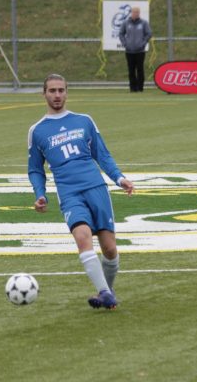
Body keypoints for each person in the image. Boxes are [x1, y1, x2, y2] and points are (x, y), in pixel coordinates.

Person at [27, 74, 134, 309]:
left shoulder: (84, 121)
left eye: (61, 90)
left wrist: (119, 177)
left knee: (109, 248)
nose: (57, 95)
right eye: (52, 91)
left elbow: (102, 154)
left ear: (67, 92)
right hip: (69, 194)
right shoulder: (37, 131)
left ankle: (108, 291)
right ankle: (105, 292)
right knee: (83, 238)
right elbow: (35, 169)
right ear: (44, 94)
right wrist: (40, 194)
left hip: (96, 188)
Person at [118, 7, 152, 92]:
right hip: (129, 51)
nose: (135, 14)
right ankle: (132, 88)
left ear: (139, 13)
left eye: (137, 12)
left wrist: (143, 43)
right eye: (134, 12)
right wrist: (125, 44)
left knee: (140, 69)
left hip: (140, 51)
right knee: (131, 70)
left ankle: (140, 88)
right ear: (131, 13)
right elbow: (121, 34)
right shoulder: (126, 23)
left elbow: (149, 34)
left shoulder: (144, 23)